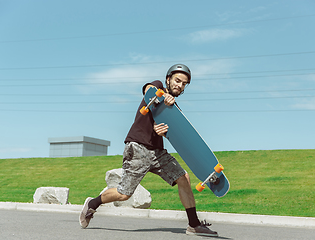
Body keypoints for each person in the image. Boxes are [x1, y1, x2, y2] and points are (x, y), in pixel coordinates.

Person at [79, 64, 218, 237]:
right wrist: (162, 95)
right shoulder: (158, 87)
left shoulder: (173, 111)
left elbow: (171, 132)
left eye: (184, 84)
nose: (180, 85)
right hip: (137, 147)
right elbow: (147, 89)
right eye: (177, 81)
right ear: (168, 79)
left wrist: (161, 130)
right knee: (124, 194)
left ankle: (194, 224)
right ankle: (92, 203)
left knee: (184, 178)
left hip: (157, 152)